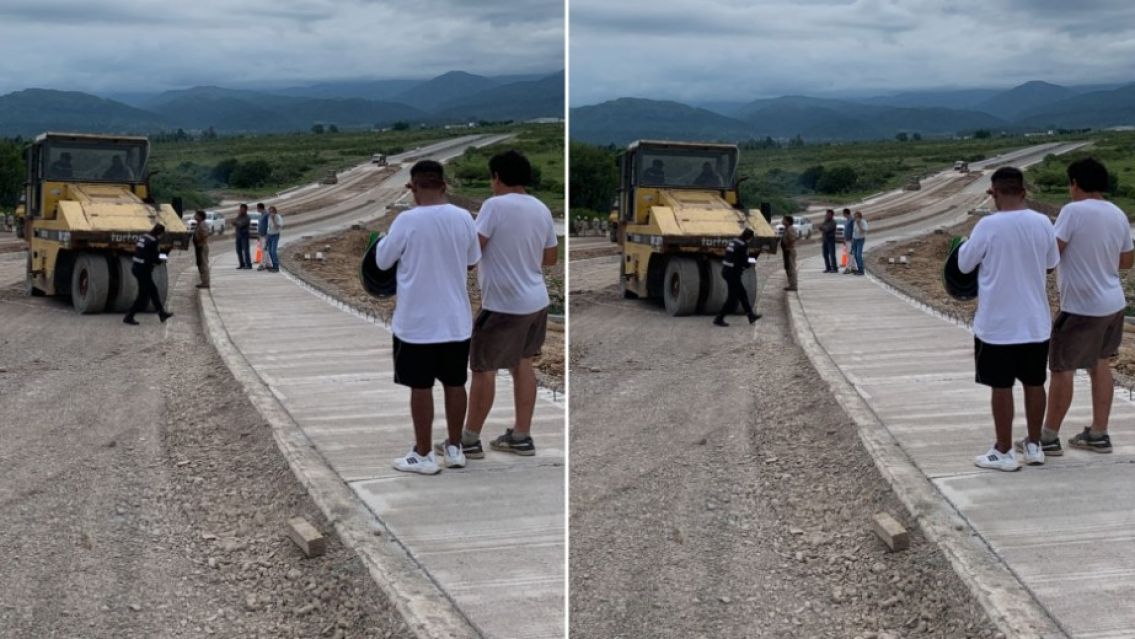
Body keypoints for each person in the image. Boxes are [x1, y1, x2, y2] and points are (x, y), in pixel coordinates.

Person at [376, 160, 480, 475]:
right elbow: (472, 261)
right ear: (444, 185)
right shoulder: (463, 218)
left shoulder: (406, 221)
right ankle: (454, 447)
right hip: (456, 321)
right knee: (455, 382)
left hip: (416, 324)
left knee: (420, 387)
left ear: (413, 187)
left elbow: (382, 263)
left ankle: (423, 454)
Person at [452, 150, 558, 459]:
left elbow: (473, 252)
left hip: (503, 305)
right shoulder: (541, 208)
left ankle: (469, 440)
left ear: (497, 177)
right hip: (536, 302)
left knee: (483, 369)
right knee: (522, 364)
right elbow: (551, 258)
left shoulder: (493, 206)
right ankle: (521, 436)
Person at [958, 166, 1059, 471]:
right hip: (1035, 322)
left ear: (995, 193)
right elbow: (1051, 264)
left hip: (997, 326)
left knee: (1001, 386)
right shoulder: (1042, 222)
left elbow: (963, 266)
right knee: (1034, 382)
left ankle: (1003, 450)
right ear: (1023, 191)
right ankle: (1033, 445)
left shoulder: (987, 226)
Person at [1039, 158, 1134, 456]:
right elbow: (1127, 261)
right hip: (1113, 303)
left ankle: (1048, 437)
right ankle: (1098, 433)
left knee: (1062, 368)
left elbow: (1052, 255)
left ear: (1075, 183)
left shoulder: (1072, 211)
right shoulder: (1117, 213)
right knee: (1100, 364)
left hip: (1081, 306)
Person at [123, 223, 174, 325]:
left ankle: (161, 313)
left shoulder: (144, 237)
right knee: (143, 296)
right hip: (143, 271)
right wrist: (166, 253)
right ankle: (129, 316)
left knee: (153, 292)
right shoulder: (154, 241)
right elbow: (156, 259)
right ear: (160, 233)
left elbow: (145, 253)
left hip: (137, 268)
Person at [713, 228, 761, 327]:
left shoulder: (734, 241)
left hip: (727, 271)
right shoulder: (743, 246)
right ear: (750, 237)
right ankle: (719, 318)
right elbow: (744, 262)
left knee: (742, 294)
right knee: (732, 299)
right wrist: (751, 263)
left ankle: (751, 316)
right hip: (733, 274)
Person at [192, 210, 210, 289]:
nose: (195, 216)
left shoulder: (203, 224)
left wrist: (200, 241)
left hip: (202, 246)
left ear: (200, 216)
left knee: (203, 264)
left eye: (196, 215)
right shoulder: (199, 224)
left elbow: (205, 234)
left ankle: (206, 283)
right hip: (199, 247)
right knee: (200, 264)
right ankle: (203, 282)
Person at [781, 214, 798, 291]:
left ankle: (793, 285)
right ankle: (791, 284)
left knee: (791, 268)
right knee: (788, 268)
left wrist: (788, 246)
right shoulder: (786, 228)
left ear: (787, 221)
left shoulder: (790, 229)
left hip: (789, 250)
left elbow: (793, 238)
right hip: (787, 250)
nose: (782, 221)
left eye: (784, 220)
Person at [233, 204, 252, 269]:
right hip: (238, 235)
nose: (241, 210)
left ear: (246, 210)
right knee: (238, 250)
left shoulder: (247, 217)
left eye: (242, 209)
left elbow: (241, 224)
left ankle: (248, 264)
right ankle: (241, 264)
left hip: (244, 235)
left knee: (246, 250)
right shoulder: (239, 216)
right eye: (240, 209)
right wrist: (237, 221)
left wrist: (237, 223)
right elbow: (233, 222)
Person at [265, 206, 283, 272]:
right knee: (269, 251)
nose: (271, 213)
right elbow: (268, 227)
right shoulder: (268, 218)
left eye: (272, 211)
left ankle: (276, 266)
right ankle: (273, 266)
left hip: (275, 235)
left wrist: (273, 219)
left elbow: (278, 226)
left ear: (275, 211)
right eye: (269, 211)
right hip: (269, 235)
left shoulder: (277, 217)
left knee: (273, 251)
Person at [851, 210, 868, 275]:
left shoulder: (863, 222)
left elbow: (864, 230)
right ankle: (859, 269)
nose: (855, 218)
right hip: (855, 239)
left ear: (860, 216)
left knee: (858, 254)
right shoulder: (854, 222)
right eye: (855, 217)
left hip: (861, 239)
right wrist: (852, 239)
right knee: (855, 254)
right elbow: (854, 231)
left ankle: (861, 270)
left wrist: (859, 224)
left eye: (857, 216)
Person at [256, 203, 270, 271]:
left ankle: (263, 264)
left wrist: (268, 235)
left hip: (265, 235)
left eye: (257, 208)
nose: (257, 209)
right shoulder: (262, 214)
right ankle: (268, 264)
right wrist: (258, 235)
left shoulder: (266, 214)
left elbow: (269, 225)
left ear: (260, 208)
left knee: (264, 250)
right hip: (261, 235)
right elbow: (260, 225)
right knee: (264, 250)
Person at [841, 208, 854, 273]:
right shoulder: (847, 220)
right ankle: (853, 267)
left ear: (846, 213)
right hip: (847, 239)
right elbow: (846, 230)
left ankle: (848, 268)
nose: (843, 215)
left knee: (849, 254)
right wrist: (844, 239)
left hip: (851, 239)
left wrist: (852, 239)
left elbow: (854, 230)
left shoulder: (852, 220)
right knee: (849, 254)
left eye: (843, 213)